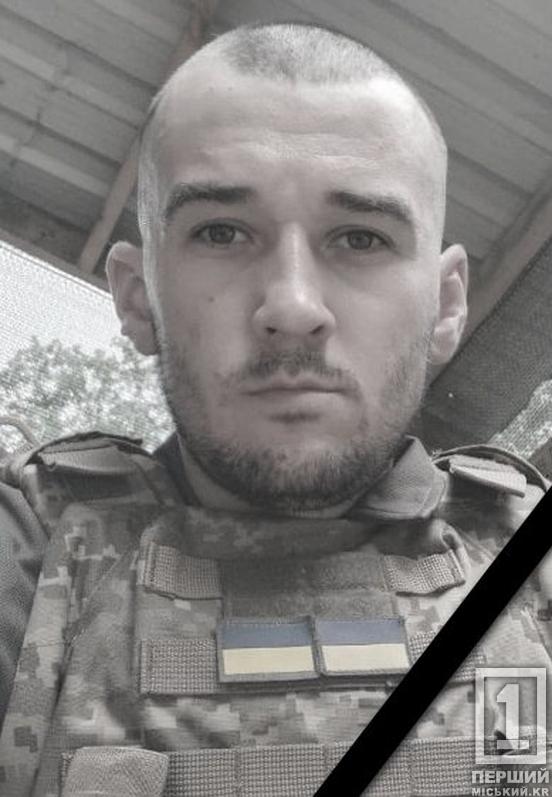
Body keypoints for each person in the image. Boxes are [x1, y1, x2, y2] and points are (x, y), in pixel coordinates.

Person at [0, 22, 549, 797]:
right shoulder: (32, 556)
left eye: (360, 237)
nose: (292, 306)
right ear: (137, 296)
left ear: (446, 304)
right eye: (221, 232)